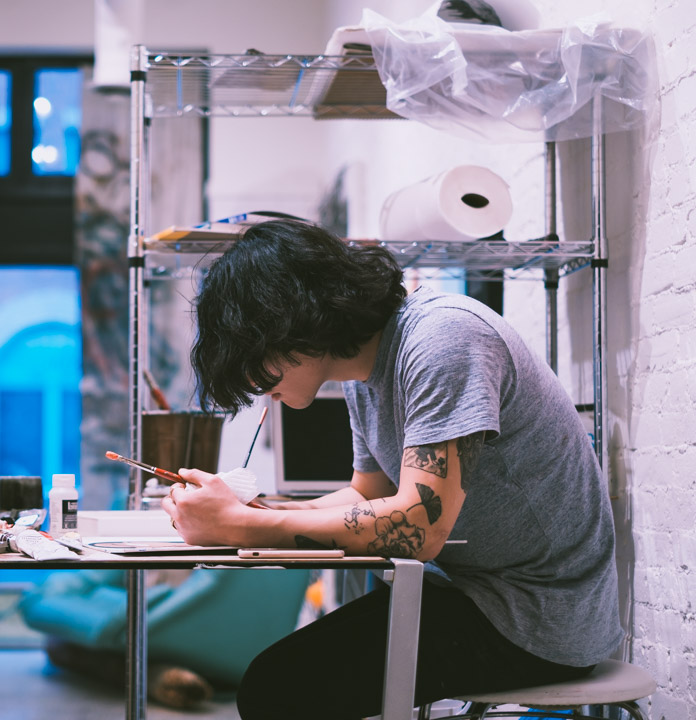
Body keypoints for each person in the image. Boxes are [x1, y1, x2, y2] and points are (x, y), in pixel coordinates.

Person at [162, 219, 622, 718]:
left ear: (295, 320)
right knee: (278, 681)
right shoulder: (364, 371)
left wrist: (245, 524)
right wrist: (253, 510)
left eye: (256, 359)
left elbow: (418, 526)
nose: (254, 383)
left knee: (277, 691)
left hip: (539, 617)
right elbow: (365, 494)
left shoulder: (443, 339)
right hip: (470, 594)